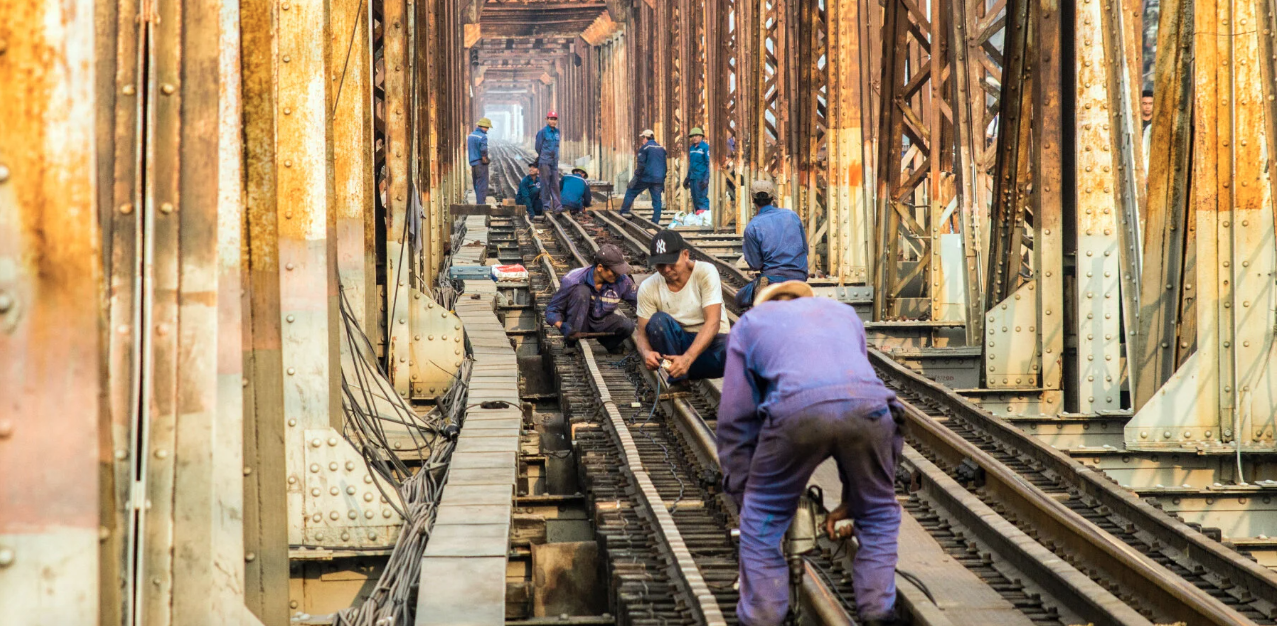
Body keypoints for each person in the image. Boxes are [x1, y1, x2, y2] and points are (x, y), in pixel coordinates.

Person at [718, 280, 904, 626]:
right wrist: (853, 497)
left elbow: (736, 418)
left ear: (765, 305)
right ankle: (879, 612)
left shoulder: (750, 325)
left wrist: (747, 492)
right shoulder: (843, 314)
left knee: (763, 517)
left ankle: (761, 617)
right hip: (874, 410)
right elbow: (849, 395)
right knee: (877, 512)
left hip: (796, 412)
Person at [635, 229, 730, 381]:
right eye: (660, 265)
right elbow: (641, 333)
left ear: (685, 255)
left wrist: (688, 358)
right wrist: (646, 353)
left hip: (712, 347)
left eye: (671, 263)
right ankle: (678, 379)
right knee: (658, 321)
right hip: (677, 348)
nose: (666, 270)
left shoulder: (705, 272)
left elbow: (713, 323)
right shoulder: (648, 287)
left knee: (738, 344)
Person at [544, 244, 637, 353]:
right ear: (600, 268)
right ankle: (571, 343)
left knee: (628, 325)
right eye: (614, 272)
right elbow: (551, 310)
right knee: (582, 292)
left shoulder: (622, 281)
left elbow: (641, 300)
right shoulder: (573, 280)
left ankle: (610, 344)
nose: (618, 275)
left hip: (602, 321)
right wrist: (562, 326)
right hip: (578, 323)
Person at [736, 180, 808, 309]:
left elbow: (755, 264)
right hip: (799, 276)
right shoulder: (792, 216)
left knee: (739, 298)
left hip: (773, 277)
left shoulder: (752, 227)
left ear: (753, 200)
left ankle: (761, 290)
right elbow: (805, 249)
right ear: (773, 198)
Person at [620, 129, 668, 224]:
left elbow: (641, 165)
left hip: (646, 177)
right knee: (657, 200)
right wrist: (662, 178)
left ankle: (624, 212)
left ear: (646, 138)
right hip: (659, 178)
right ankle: (655, 222)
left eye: (643, 138)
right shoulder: (662, 149)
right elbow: (665, 166)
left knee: (631, 191)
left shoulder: (645, 148)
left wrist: (635, 177)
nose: (642, 140)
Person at [535, 111, 563, 213]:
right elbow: (538, 147)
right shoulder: (542, 132)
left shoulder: (557, 132)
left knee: (555, 184)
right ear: (546, 119)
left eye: (555, 119)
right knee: (545, 183)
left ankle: (557, 206)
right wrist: (543, 156)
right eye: (551, 119)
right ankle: (546, 206)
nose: (553, 121)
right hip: (545, 161)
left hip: (554, 162)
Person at [683, 127, 711, 214]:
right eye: (692, 136)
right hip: (693, 178)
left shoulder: (705, 147)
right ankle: (698, 217)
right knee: (695, 198)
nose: (694, 138)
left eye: (696, 135)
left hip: (701, 178)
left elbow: (708, 164)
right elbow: (691, 164)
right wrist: (687, 178)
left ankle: (704, 217)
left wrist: (706, 178)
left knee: (701, 198)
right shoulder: (691, 148)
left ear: (701, 136)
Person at [468, 118, 492, 205]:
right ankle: (481, 204)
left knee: (476, 184)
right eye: (487, 127)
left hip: (473, 163)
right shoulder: (483, 136)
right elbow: (483, 149)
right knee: (482, 183)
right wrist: (485, 159)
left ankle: (479, 202)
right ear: (484, 127)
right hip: (480, 163)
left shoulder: (471, 135)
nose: (488, 130)